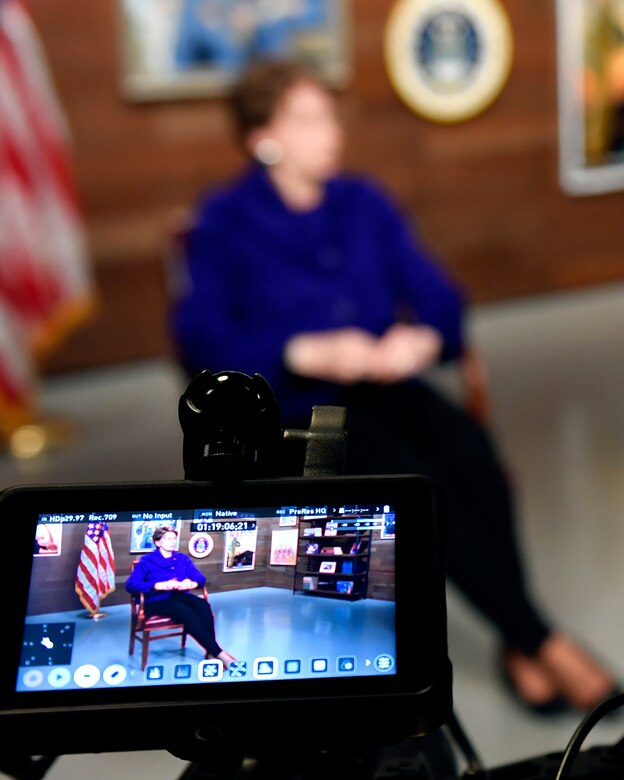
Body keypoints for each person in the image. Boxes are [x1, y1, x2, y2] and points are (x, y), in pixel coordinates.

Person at [169, 59, 618, 713]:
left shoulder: (363, 200)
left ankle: (522, 638)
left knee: (475, 460)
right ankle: (539, 640)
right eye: (309, 120)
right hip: (300, 410)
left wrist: (423, 340)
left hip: (386, 384)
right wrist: (305, 348)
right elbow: (201, 340)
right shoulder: (223, 222)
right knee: (422, 492)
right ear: (262, 136)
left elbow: (439, 294)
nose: (330, 134)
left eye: (330, 116)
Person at [125, 526, 236, 668]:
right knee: (185, 611)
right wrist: (157, 586)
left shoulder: (182, 559)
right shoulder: (147, 561)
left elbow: (200, 579)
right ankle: (220, 654)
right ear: (158, 542)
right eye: (168, 538)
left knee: (203, 605)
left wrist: (191, 583)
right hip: (158, 601)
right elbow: (131, 585)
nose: (172, 542)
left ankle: (210, 652)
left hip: (180, 596)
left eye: (174, 538)